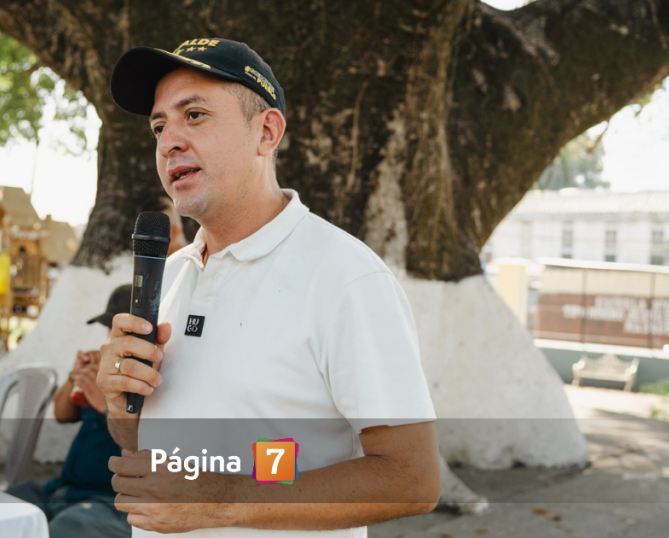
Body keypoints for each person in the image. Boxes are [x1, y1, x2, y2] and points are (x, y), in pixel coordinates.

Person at [98, 39, 441, 536]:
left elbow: (412, 479)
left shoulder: (346, 277)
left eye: (194, 115)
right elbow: (142, 449)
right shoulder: (168, 276)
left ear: (266, 132)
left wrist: (219, 502)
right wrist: (118, 405)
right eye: (159, 126)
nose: (169, 141)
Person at [7, 285, 134, 538]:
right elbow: (63, 415)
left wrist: (106, 405)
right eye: (109, 329)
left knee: (64, 528)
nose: (111, 338)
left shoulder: (149, 378)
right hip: (65, 490)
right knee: (3, 504)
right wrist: (74, 377)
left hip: (109, 501)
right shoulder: (108, 367)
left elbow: (149, 445)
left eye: (121, 331)